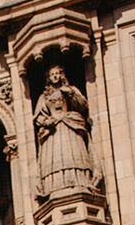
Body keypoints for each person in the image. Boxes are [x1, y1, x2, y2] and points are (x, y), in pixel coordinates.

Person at [33, 64, 98, 199]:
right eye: (52, 74)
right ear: (49, 78)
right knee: (55, 156)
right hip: (53, 132)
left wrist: (70, 93)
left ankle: (80, 182)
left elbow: (83, 105)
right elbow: (38, 116)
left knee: (73, 153)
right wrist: (46, 122)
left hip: (70, 126)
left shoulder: (70, 90)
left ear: (62, 75)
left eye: (57, 73)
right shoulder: (44, 97)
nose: (55, 76)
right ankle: (55, 186)